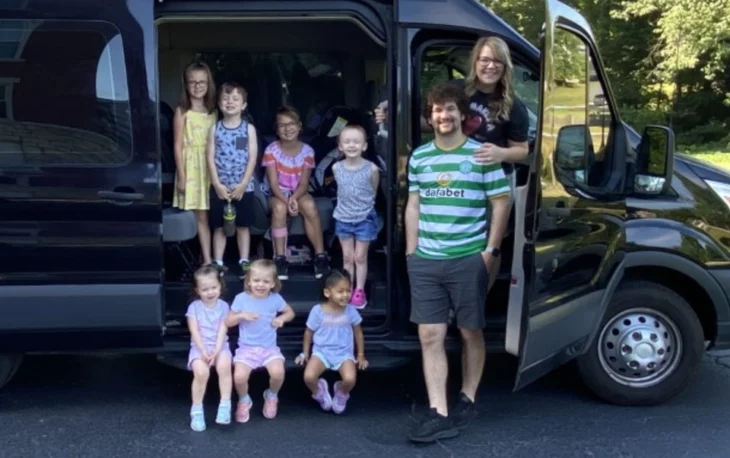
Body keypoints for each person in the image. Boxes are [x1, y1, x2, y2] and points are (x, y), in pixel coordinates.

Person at [405, 83, 511, 443]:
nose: (443, 115)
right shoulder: (420, 157)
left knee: (469, 331)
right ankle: (439, 412)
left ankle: (467, 397)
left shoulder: (481, 154)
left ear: (462, 115)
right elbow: (414, 205)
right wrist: (411, 251)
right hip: (427, 259)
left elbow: (501, 202)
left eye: (450, 109)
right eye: (437, 109)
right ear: (430, 116)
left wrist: (490, 251)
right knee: (430, 334)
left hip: (469, 257)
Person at [263, 106, 331, 280]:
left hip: (298, 192)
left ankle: (320, 256)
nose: (287, 128)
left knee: (309, 204)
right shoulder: (271, 150)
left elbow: (304, 183)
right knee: (279, 209)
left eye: (292, 124)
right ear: (276, 130)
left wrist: (293, 198)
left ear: (300, 126)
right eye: (282, 125)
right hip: (277, 194)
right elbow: (273, 184)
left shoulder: (308, 151)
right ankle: (280, 258)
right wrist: (286, 202)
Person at [225, 259, 295, 423]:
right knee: (239, 377)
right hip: (246, 349)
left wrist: (282, 319)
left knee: (278, 373)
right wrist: (242, 315)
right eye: (256, 280)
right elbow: (228, 321)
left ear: (273, 283)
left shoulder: (275, 298)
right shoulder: (241, 299)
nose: (260, 285)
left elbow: (290, 312)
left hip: (269, 348)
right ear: (248, 281)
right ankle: (244, 400)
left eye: (266, 281)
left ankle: (271, 395)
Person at [295, 270, 368, 414]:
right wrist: (304, 353)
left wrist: (360, 354)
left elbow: (358, 332)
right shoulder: (317, 311)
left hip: (343, 353)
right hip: (321, 352)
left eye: (348, 290)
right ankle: (319, 392)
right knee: (309, 377)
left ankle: (341, 392)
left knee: (350, 379)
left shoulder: (351, 311)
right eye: (340, 291)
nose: (346, 295)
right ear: (327, 293)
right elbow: (308, 332)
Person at [206, 82, 259, 277]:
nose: (230, 102)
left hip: (243, 186)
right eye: (226, 99)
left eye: (235, 99)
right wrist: (216, 184)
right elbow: (209, 157)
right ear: (219, 103)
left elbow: (252, 157)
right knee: (219, 226)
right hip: (220, 186)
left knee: (243, 225)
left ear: (244, 105)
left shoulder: (249, 129)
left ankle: (244, 260)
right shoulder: (215, 129)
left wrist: (244, 184)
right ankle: (218, 261)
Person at [173, 61, 218, 267]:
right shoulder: (182, 111)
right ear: (186, 85)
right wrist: (182, 177)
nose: (198, 86)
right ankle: (207, 259)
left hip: (211, 168)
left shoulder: (214, 112)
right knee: (199, 216)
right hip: (191, 168)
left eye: (202, 82)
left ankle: (212, 257)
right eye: (193, 82)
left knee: (211, 215)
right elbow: (177, 145)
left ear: (209, 84)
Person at [331, 125, 380, 308]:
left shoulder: (371, 169)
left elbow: (373, 191)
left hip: (364, 218)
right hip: (343, 218)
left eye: (356, 142)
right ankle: (347, 289)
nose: (352, 145)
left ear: (364, 146)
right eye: (347, 142)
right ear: (340, 146)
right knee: (347, 258)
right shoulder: (336, 168)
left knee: (360, 257)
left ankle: (359, 290)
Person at [185, 265, 233, 432]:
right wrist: (204, 351)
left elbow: (222, 330)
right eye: (205, 289)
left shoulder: (224, 306)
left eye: (214, 287)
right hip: (200, 346)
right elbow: (194, 331)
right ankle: (197, 409)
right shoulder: (194, 308)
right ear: (197, 290)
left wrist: (217, 350)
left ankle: (225, 404)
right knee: (201, 372)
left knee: (224, 366)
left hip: (220, 345)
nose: (210, 292)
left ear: (220, 286)